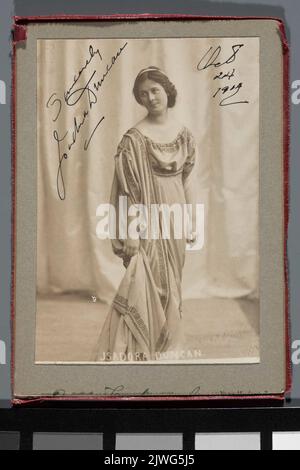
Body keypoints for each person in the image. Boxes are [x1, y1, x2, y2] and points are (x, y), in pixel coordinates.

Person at [94, 66, 198, 362]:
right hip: (146, 222)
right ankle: (147, 350)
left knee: (173, 282)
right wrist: (130, 233)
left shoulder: (184, 135)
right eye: (143, 93)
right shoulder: (134, 140)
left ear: (167, 90)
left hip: (175, 219)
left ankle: (170, 349)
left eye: (155, 90)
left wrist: (190, 220)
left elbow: (187, 179)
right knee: (153, 283)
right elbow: (127, 192)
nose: (150, 97)